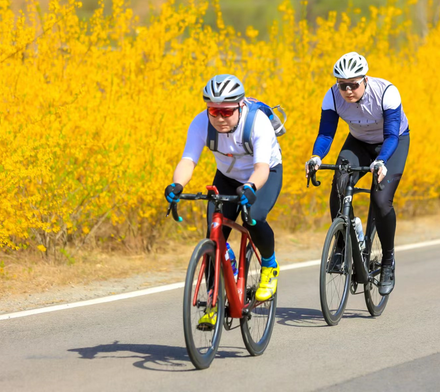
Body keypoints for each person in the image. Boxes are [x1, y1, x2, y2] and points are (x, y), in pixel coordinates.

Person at [165, 74, 282, 328]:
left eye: (226, 111)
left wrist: (250, 187)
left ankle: (270, 266)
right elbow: (188, 160)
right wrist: (177, 184)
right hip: (227, 177)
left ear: (240, 106)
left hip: (264, 175)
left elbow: (261, 168)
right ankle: (213, 304)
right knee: (213, 237)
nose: (219, 118)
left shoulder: (257, 123)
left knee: (253, 217)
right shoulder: (200, 124)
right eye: (213, 111)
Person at [306, 52, 409, 296]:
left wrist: (382, 160)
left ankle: (387, 262)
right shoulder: (332, 96)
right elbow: (326, 134)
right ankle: (342, 245)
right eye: (343, 85)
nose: (349, 90)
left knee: (381, 201)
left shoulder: (386, 92)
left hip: (391, 144)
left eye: (354, 84)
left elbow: (392, 135)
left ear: (365, 80)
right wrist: (316, 156)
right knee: (339, 183)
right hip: (359, 142)